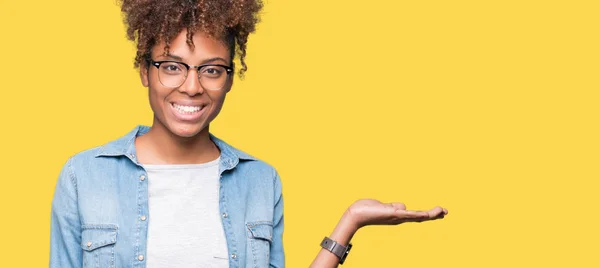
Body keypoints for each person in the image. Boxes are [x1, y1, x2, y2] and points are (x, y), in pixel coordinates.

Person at [49, 0, 448, 267]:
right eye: (172, 66)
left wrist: (349, 222)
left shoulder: (259, 180)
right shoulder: (85, 176)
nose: (191, 86)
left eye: (211, 69)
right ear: (144, 70)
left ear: (229, 78)